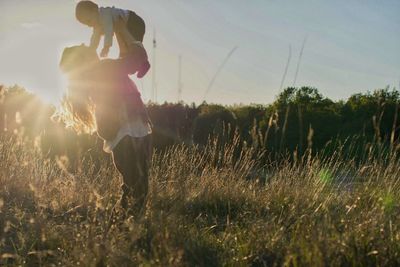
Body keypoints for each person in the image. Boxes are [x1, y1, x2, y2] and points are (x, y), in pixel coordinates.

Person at [58, 44, 152, 213]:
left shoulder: (96, 73)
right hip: (127, 132)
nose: (88, 45)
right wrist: (138, 50)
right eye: (85, 48)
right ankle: (125, 223)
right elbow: (130, 63)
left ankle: (125, 222)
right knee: (137, 185)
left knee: (134, 183)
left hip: (126, 132)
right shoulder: (105, 67)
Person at [75, 1, 150, 78]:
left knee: (132, 46)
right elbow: (95, 37)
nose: (89, 25)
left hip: (133, 21)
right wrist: (91, 49)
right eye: (86, 24)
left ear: (95, 10)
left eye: (88, 20)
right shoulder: (97, 24)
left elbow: (109, 30)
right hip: (126, 24)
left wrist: (106, 47)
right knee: (127, 52)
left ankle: (143, 63)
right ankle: (137, 65)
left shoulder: (105, 14)